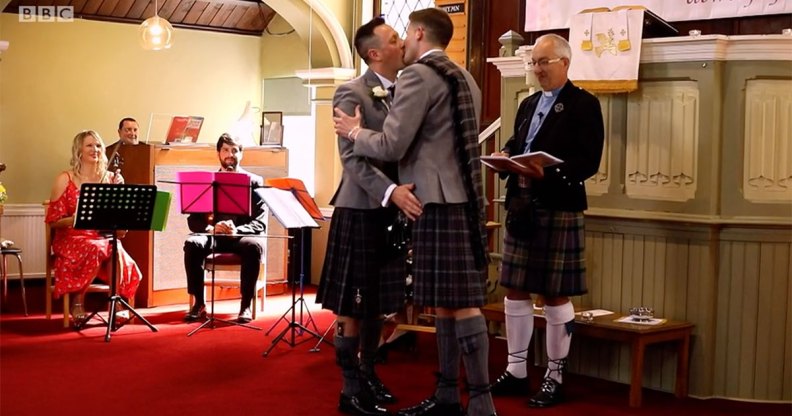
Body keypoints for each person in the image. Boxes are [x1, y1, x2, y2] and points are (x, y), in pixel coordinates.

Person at [334, 8, 496, 416]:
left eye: (403, 33)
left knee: (456, 300)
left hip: (429, 199)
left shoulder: (416, 76)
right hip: (444, 197)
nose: (402, 42)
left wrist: (353, 131)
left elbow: (391, 144)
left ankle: (477, 400)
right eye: (394, 37)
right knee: (444, 299)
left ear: (420, 32)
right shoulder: (466, 78)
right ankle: (442, 393)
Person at [488, 33, 604, 408]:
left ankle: (555, 376)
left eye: (544, 62)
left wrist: (548, 174)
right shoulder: (528, 104)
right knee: (515, 289)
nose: (537, 69)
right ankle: (517, 370)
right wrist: (506, 153)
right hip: (523, 205)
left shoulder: (584, 104)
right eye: (534, 62)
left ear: (565, 63)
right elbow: (520, 142)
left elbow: (588, 163)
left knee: (555, 293)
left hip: (559, 206)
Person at [316, 17, 423, 416]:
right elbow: (351, 160)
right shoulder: (351, 92)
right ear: (375, 53)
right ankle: (349, 390)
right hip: (362, 209)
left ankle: (368, 373)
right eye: (395, 39)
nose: (403, 43)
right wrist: (390, 191)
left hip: (393, 212)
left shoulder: (406, 90)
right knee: (353, 303)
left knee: (379, 302)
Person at [45, 130, 142, 328]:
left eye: (98, 145)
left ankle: (117, 305)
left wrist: (119, 194)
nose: (95, 149)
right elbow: (54, 221)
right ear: (79, 150)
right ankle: (77, 303)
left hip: (101, 235)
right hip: (71, 237)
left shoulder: (109, 179)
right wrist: (77, 218)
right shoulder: (65, 178)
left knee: (116, 248)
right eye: (89, 145)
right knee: (95, 248)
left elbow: (116, 218)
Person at [183, 133, 266, 324]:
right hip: (213, 235)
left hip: (241, 237)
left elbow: (260, 223)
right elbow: (194, 221)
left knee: (254, 246)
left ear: (241, 154)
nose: (230, 154)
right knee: (192, 243)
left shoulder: (255, 182)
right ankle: (199, 303)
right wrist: (211, 228)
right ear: (218, 153)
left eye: (235, 150)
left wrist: (237, 229)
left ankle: (245, 304)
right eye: (226, 150)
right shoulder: (206, 181)